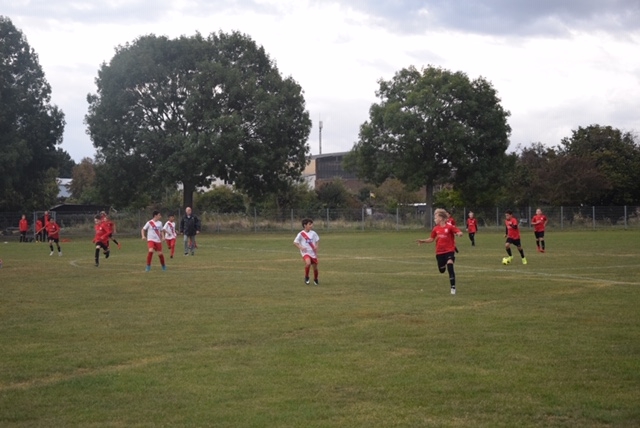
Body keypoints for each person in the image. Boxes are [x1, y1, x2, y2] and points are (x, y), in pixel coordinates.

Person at [417, 208, 464, 295]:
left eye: (436, 217)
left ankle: (453, 287)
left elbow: (458, 232)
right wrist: (423, 241)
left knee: (450, 264)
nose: (434, 219)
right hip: (439, 252)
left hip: (449, 250)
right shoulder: (435, 229)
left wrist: (459, 234)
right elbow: (431, 239)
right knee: (442, 270)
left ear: (441, 218)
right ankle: (444, 264)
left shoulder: (449, 227)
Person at [293, 218, 320, 285]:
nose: (311, 225)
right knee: (308, 263)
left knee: (315, 268)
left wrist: (316, 246)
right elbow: (295, 242)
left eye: (311, 224)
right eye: (309, 224)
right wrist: (301, 247)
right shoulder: (301, 234)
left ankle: (315, 279)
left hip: (312, 252)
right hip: (305, 252)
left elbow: (317, 240)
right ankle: (306, 277)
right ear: (305, 225)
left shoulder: (313, 233)